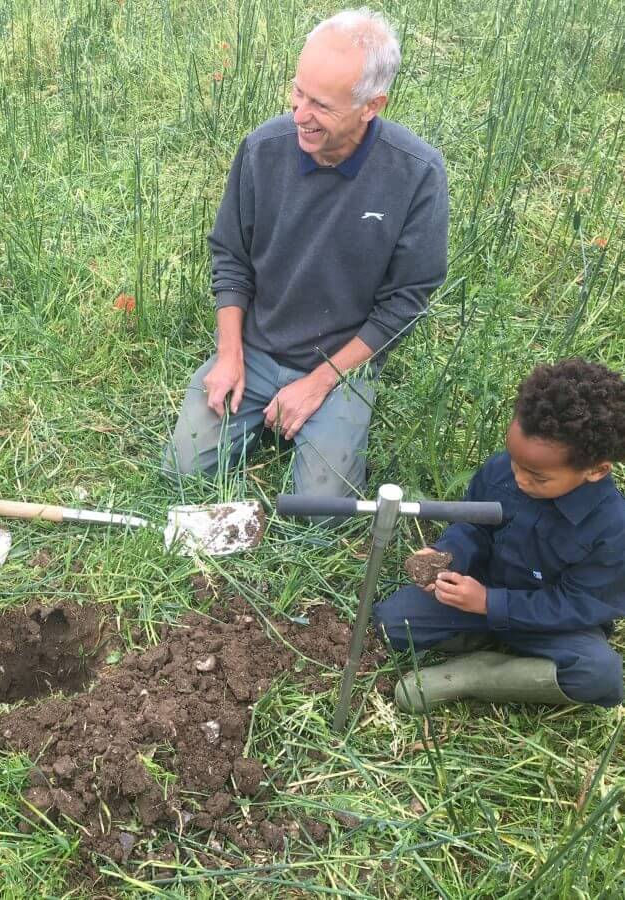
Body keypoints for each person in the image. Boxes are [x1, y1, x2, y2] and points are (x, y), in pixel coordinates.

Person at [164, 9, 448, 501]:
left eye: (321, 105)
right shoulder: (262, 149)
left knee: (320, 515)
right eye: (298, 92)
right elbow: (230, 255)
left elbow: (405, 302)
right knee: (181, 476)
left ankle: (313, 420)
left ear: (371, 105)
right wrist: (230, 354)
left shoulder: (417, 174)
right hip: (254, 348)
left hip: (342, 362)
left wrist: (320, 382)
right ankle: (262, 408)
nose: (299, 115)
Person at [374, 359, 625, 711]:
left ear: (595, 471)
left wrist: (491, 603)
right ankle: (487, 637)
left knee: (598, 674)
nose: (520, 479)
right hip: (478, 592)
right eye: (514, 462)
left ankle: (475, 674)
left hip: (552, 622)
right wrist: (446, 555)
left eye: (538, 477)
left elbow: (577, 604)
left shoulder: (614, 528)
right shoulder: (503, 469)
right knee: (392, 621)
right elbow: (474, 526)